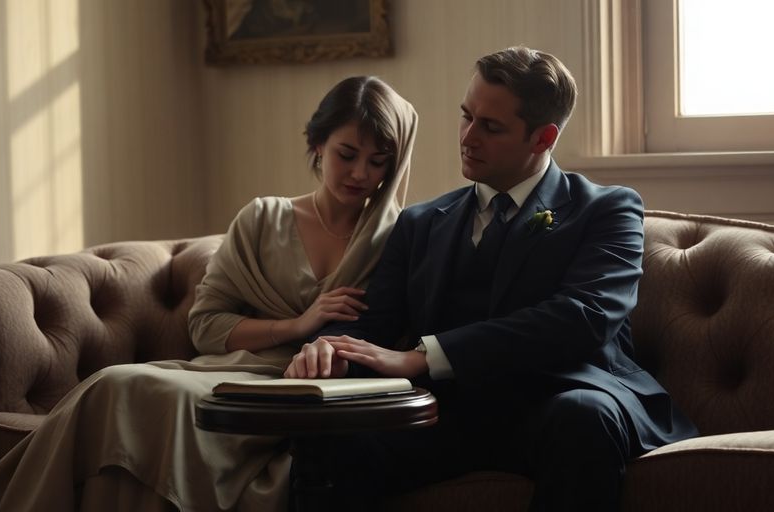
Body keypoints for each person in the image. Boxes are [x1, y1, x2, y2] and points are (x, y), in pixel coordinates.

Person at [0, 75, 417, 511]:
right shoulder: (263, 219)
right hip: (231, 376)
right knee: (112, 386)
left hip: (303, 397)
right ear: (317, 144)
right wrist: (299, 325)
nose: (360, 173)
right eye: (347, 153)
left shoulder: (394, 238)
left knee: (121, 387)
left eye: (377, 161)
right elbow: (205, 325)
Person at [285, 46, 699, 511]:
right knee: (332, 432)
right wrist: (331, 351)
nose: (467, 137)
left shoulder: (608, 209)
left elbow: (584, 317)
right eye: (466, 117)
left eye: (490, 127)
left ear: (543, 138)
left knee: (583, 417)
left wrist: (426, 356)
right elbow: (371, 321)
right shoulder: (420, 223)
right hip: (448, 414)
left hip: (560, 399)